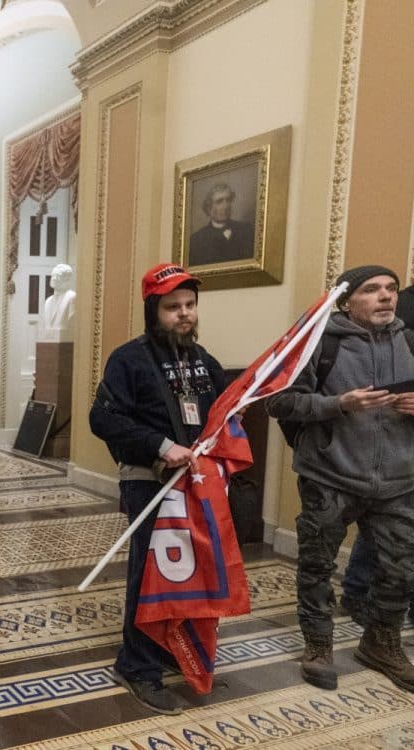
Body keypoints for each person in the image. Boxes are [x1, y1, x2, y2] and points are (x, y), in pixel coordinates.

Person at [266, 265, 414, 692]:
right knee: (317, 565)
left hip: (399, 481)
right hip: (330, 475)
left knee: (401, 571)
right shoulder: (319, 343)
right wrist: (339, 404)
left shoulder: (410, 341)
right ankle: (318, 646)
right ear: (348, 301)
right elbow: (277, 402)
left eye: (391, 289)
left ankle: (381, 643)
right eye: (372, 290)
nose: (386, 297)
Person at [89, 262, 227, 715]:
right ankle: (137, 664)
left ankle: (173, 646)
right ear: (153, 310)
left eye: (189, 305)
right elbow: (104, 419)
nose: (183, 314)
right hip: (148, 483)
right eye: (173, 307)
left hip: (196, 488)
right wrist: (162, 445)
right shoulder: (128, 360)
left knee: (190, 572)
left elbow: (224, 417)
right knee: (150, 577)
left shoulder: (204, 362)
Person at [339, 283, 414, 626]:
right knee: (382, 523)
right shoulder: (405, 305)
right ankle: (356, 591)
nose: (385, 296)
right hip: (385, 441)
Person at [188, 183, 254, 266]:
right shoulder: (197, 240)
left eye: (228, 200)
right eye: (219, 202)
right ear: (209, 207)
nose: (226, 206)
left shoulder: (246, 230)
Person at [40, 263, 77, 337]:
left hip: (63, 339)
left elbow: (71, 322)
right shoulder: (48, 301)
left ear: (67, 279)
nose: (54, 278)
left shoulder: (72, 297)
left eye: (58, 276)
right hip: (47, 339)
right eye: (53, 275)